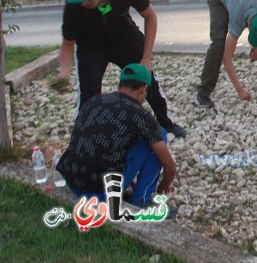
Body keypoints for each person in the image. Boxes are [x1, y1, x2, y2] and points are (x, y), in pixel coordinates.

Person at [56, 0, 187, 139]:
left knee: (146, 80)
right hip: (91, 45)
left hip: (125, 38)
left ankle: (166, 123)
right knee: (89, 92)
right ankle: (87, 135)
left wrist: (146, 58)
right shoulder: (73, 6)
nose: (83, 3)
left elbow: (151, 17)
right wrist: (64, 74)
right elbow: (67, 43)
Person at [56, 64, 176, 206]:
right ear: (143, 90)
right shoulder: (141, 116)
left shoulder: (94, 101)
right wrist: (163, 188)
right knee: (159, 134)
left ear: (119, 85)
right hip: (101, 192)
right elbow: (169, 167)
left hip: (72, 182)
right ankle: (141, 201)